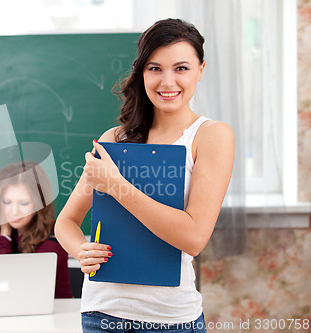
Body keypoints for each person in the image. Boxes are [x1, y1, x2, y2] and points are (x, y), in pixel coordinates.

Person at [55, 18, 234, 332]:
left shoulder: (210, 136)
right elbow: (65, 222)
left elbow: (193, 238)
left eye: (181, 68)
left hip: (169, 319)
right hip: (100, 315)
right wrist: (80, 250)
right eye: (155, 68)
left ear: (200, 70)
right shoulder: (113, 139)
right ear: (141, 72)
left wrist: (117, 186)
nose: (167, 82)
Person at [0, 161, 73, 298]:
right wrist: (4, 235)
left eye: (24, 203)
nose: (14, 212)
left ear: (40, 203)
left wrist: (4, 238)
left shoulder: (53, 241)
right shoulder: (5, 231)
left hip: (55, 315)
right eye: (7, 202)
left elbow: (15, 289)